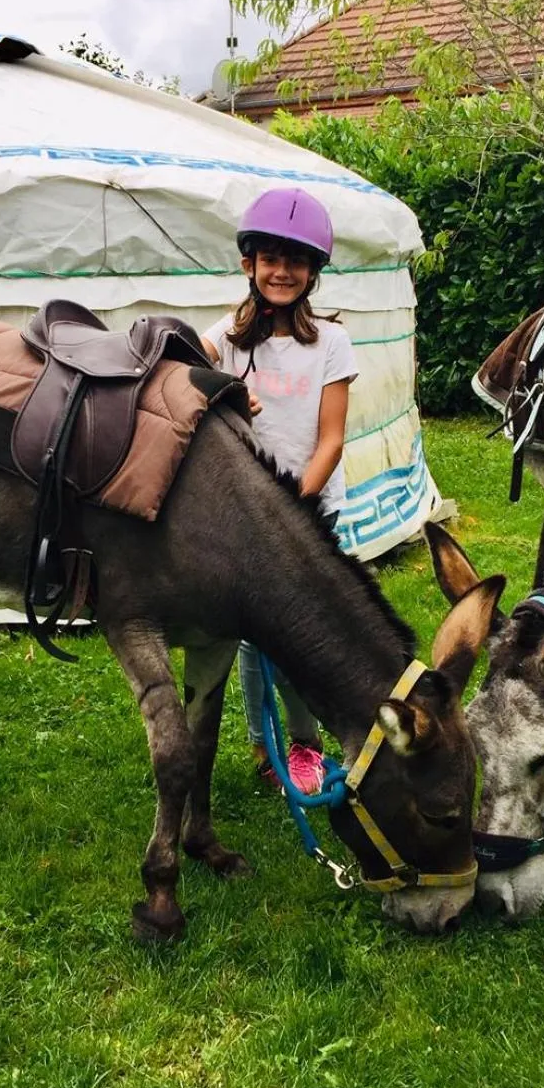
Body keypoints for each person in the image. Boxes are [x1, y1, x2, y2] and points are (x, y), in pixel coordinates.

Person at [200, 187, 358, 794]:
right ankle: (263, 745)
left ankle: (304, 743)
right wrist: (220, 387)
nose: (282, 270)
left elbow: (332, 439)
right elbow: (177, 367)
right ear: (248, 264)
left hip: (308, 509)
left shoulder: (331, 343)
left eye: (297, 261)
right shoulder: (229, 337)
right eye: (270, 257)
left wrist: (294, 507)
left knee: (298, 633)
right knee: (249, 638)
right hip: (241, 511)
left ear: (314, 272)